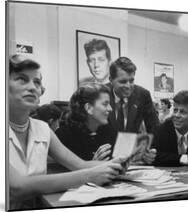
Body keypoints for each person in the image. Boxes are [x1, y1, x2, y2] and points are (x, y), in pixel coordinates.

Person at [8, 54, 125, 210]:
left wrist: (115, 165)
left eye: (37, 82)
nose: (32, 87)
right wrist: (90, 176)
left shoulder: (43, 128)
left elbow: (81, 165)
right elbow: (17, 186)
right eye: (22, 79)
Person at [106, 57, 159, 164]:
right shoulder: (100, 94)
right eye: (123, 81)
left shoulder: (142, 95)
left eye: (131, 81)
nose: (128, 86)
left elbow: (154, 128)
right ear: (111, 80)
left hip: (132, 160)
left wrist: (150, 151)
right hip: (105, 159)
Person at [56, 83, 117, 161]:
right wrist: (93, 164)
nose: (110, 109)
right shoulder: (63, 137)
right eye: (105, 104)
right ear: (88, 108)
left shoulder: (110, 132)